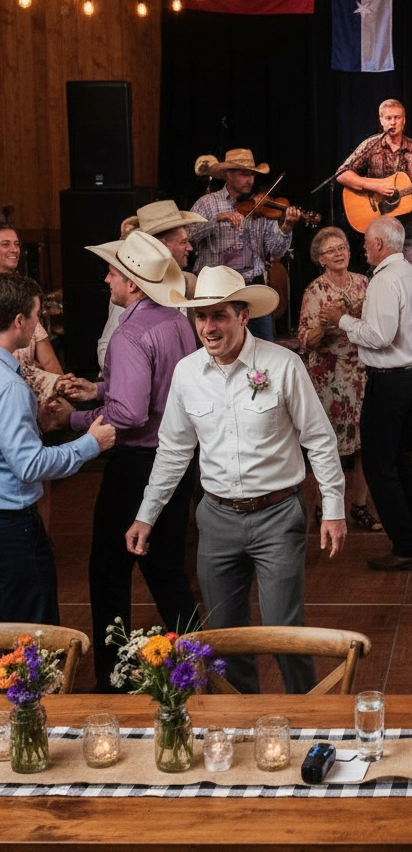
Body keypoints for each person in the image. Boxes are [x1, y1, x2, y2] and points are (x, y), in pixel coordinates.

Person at [125, 266, 347, 694]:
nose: (209, 327)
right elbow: (173, 451)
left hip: (278, 516)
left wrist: (333, 510)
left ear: (244, 316)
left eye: (219, 316)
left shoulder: (283, 365)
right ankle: (237, 720)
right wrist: (146, 515)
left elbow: (319, 440)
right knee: (225, 637)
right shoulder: (187, 373)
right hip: (216, 520)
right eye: (201, 317)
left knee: (285, 632)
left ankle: (307, 712)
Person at [47, 230, 200, 690]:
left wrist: (74, 419)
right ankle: (198, 668)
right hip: (177, 460)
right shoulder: (175, 320)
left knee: (109, 573)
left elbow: (130, 414)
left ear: (133, 283)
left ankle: (112, 683)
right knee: (167, 569)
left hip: (137, 466)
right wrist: (98, 390)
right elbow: (156, 387)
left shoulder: (129, 334)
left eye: (113, 272)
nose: (107, 279)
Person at [0, 273, 115, 624]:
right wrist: (90, 444)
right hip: (11, 528)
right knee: (33, 632)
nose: (39, 324)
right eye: (36, 316)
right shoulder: (11, 387)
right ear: (19, 321)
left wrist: (31, 423)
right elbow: (30, 466)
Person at [337, 216, 412, 570]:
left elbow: (379, 337)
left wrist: (343, 320)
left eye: (366, 241)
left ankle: (407, 547)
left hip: (390, 380)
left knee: (380, 465)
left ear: (379, 243)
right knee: (397, 459)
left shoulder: (384, 280)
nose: (363, 246)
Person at [297, 227, 378, 532]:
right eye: (331, 250)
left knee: (364, 444)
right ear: (320, 259)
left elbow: (375, 325)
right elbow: (305, 340)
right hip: (328, 376)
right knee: (329, 445)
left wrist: (348, 318)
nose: (339, 253)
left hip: (360, 371)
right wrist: (328, 326)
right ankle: (325, 506)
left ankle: (359, 506)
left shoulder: (364, 283)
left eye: (342, 247)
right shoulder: (314, 290)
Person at [189, 148, 300, 342]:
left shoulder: (261, 206)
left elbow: (275, 250)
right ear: (228, 175)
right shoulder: (207, 204)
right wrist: (217, 219)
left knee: (263, 346)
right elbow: (189, 234)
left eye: (252, 175)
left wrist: (286, 227)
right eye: (244, 174)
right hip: (217, 290)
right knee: (218, 346)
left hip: (252, 289)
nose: (250, 180)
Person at [335, 99, 412, 266]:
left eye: (397, 117)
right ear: (381, 120)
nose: (393, 122)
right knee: (378, 272)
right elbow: (341, 175)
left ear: (404, 120)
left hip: (409, 225)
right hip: (378, 224)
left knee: (406, 271)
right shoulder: (371, 145)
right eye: (388, 118)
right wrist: (374, 186)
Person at [97, 200, 206, 367]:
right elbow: (107, 346)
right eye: (183, 242)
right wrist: (123, 373)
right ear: (161, 246)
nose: (190, 247)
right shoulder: (132, 287)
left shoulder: (188, 282)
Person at [0, 225, 62, 401]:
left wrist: (61, 387)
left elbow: (49, 360)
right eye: (5, 244)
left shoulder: (25, 292)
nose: (14, 250)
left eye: (17, 244)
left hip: (32, 396)